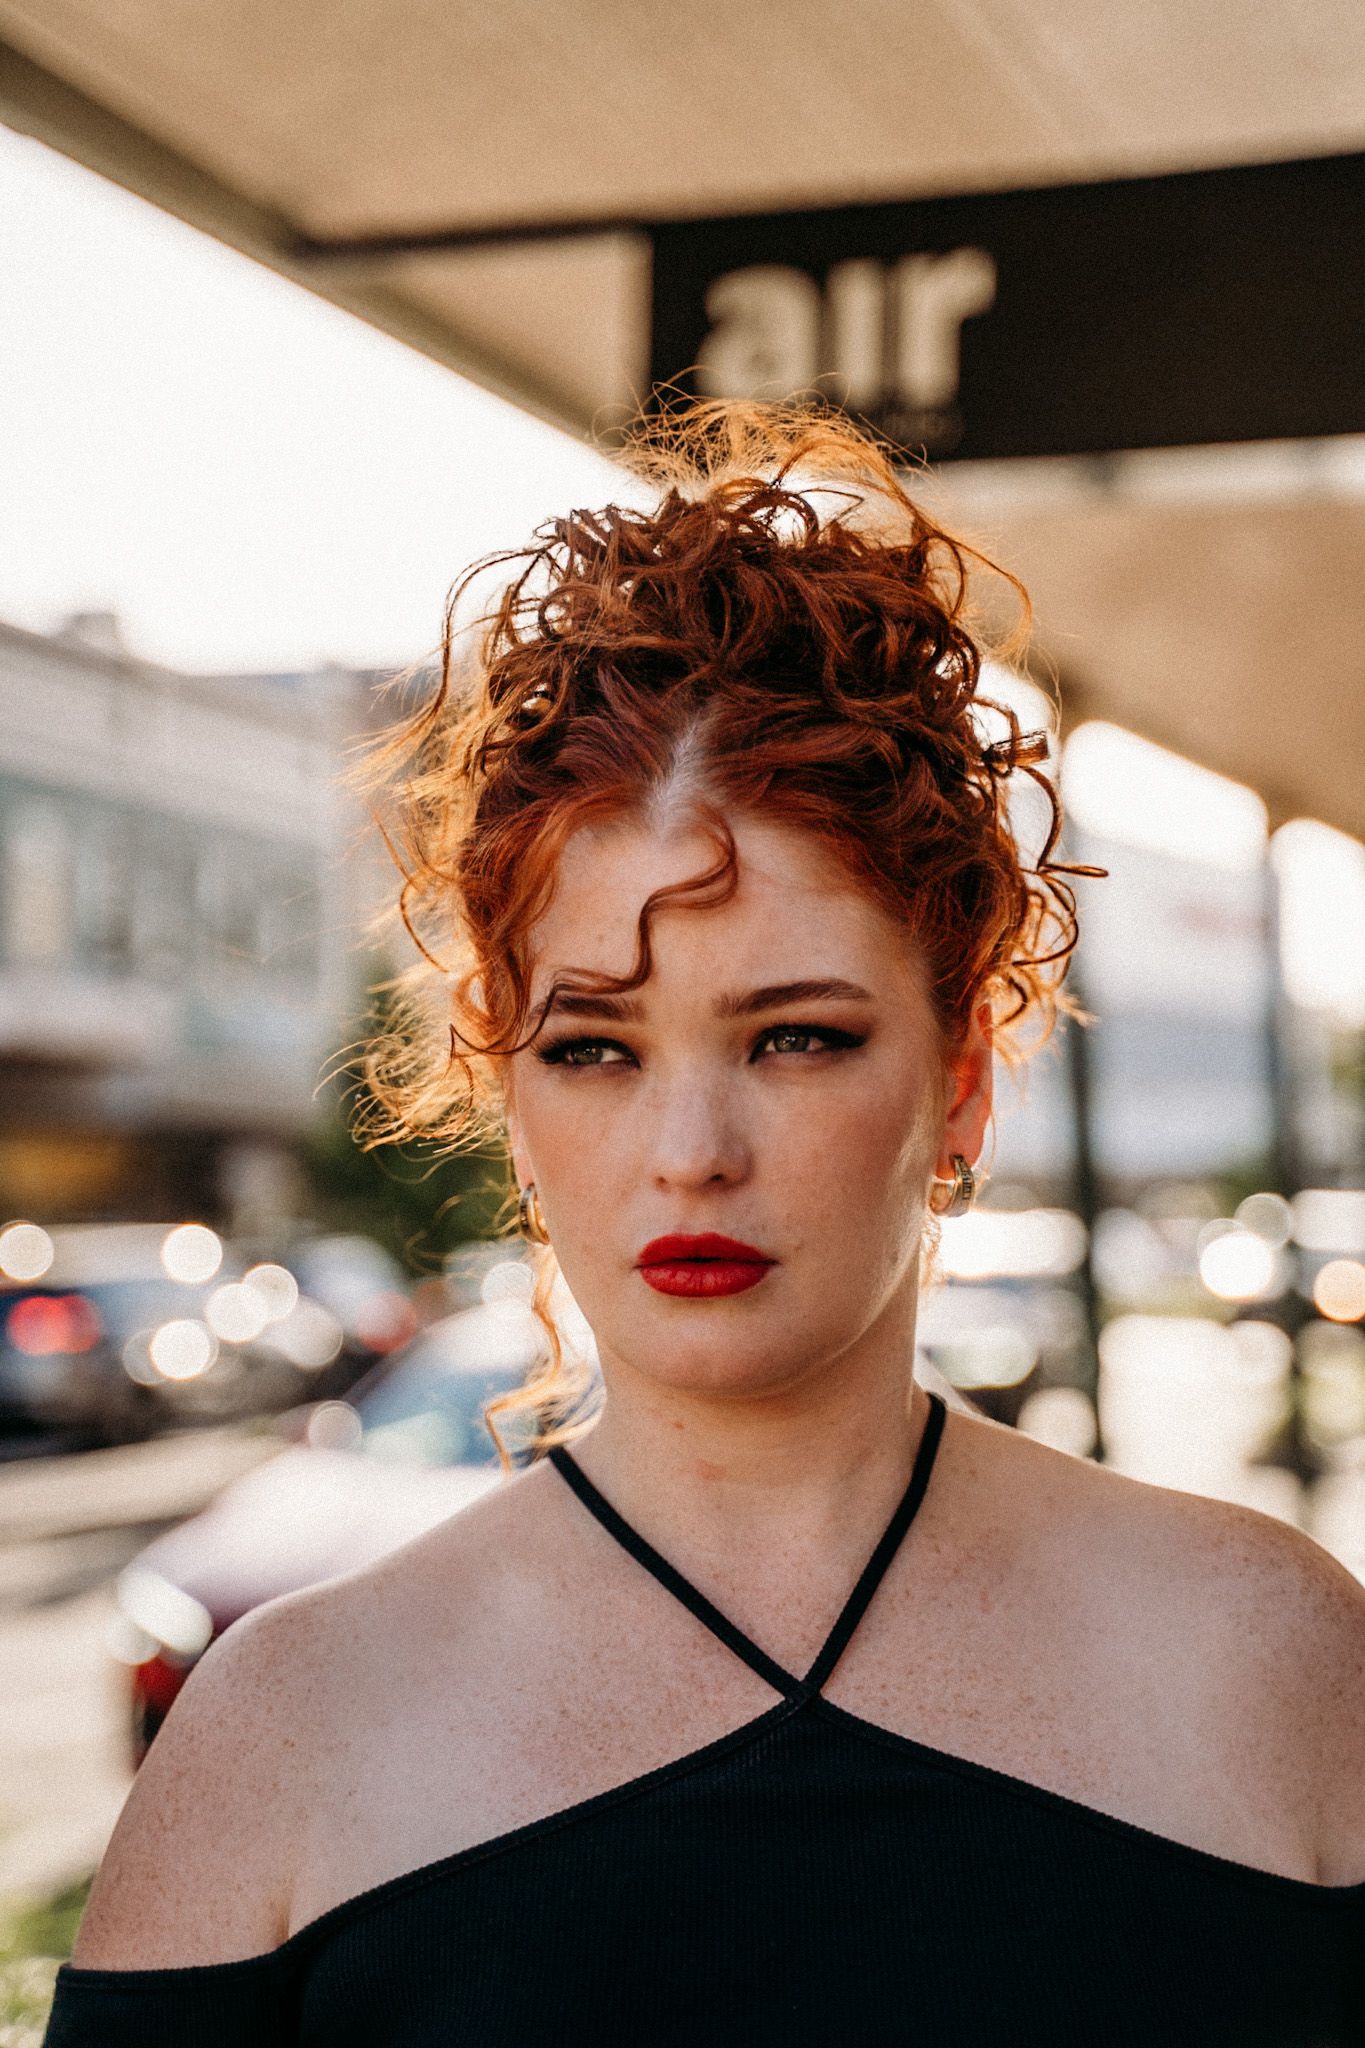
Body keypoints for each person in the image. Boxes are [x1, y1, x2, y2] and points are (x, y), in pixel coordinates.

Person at [44, 402, 1364, 2046]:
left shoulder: (1273, 1657)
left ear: (959, 1087)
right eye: (593, 1049)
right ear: (509, 1101)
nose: (689, 1155)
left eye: (794, 1037)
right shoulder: (284, 1731)